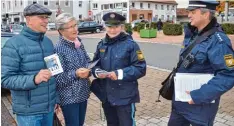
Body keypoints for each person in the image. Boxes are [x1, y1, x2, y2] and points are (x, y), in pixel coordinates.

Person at [168, 1, 234, 126]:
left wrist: (199, 95)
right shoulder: (192, 34)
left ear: (206, 14)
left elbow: (228, 75)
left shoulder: (218, 41)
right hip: (180, 104)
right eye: (189, 12)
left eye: (193, 12)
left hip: (201, 107)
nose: (188, 15)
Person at [1, 3, 57, 126]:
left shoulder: (48, 42)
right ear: (28, 19)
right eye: (42, 17)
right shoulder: (13, 45)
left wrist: (55, 100)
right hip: (29, 114)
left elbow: (53, 74)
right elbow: (5, 79)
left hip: (48, 109)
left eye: (47, 17)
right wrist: (34, 79)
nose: (46, 21)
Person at [91, 12, 147, 126]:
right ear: (105, 26)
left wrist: (119, 74)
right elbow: (94, 64)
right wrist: (97, 72)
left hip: (125, 97)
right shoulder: (101, 44)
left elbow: (141, 67)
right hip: (107, 96)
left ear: (121, 27)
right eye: (109, 27)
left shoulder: (131, 45)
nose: (112, 30)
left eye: (116, 26)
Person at [54, 13, 91, 126]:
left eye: (75, 25)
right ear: (61, 31)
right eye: (70, 27)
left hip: (83, 94)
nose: (75, 29)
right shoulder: (57, 49)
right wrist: (76, 74)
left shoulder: (78, 43)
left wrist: (90, 68)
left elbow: (88, 61)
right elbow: (57, 79)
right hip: (69, 98)